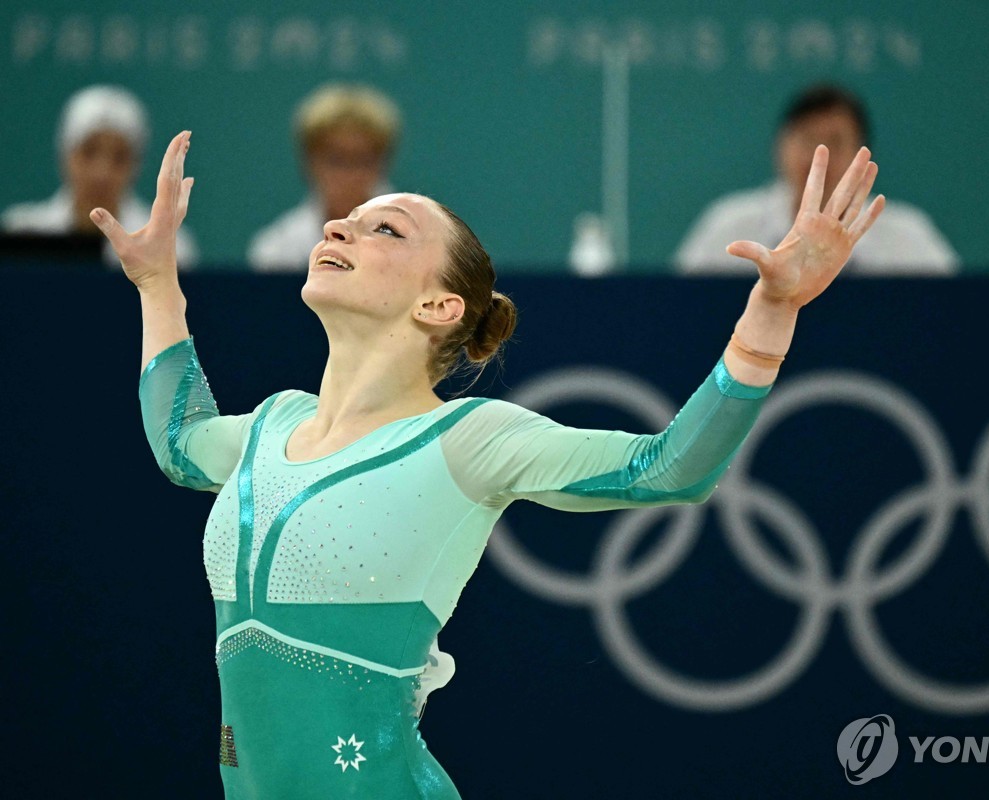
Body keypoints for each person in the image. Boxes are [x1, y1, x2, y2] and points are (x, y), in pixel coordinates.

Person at [92, 129, 885, 798]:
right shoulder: (272, 425)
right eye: (346, 221)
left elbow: (669, 467)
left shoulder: (469, 441)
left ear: (439, 306)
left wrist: (772, 310)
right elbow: (178, 442)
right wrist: (157, 283)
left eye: (385, 229)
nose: (338, 228)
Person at [674, 82, 957, 276]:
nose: (819, 155)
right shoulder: (728, 227)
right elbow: (678, 309)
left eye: (836, 141)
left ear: (863, 153)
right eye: (806, 139)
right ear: (780, 146)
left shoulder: (909, 238)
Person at [1, 84, 199, 270]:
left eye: (119, 157)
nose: (102, 173)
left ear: (136, 165)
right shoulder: (19, 232)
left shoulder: (170, 245)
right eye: (89, 152)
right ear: (65, 155)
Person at [247, 83, 401, 272]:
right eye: (336, 159)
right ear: (309, 162)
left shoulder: (413, 243)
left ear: (383, 163)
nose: (349, 174)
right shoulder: (276, 250)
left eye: (362, 160)